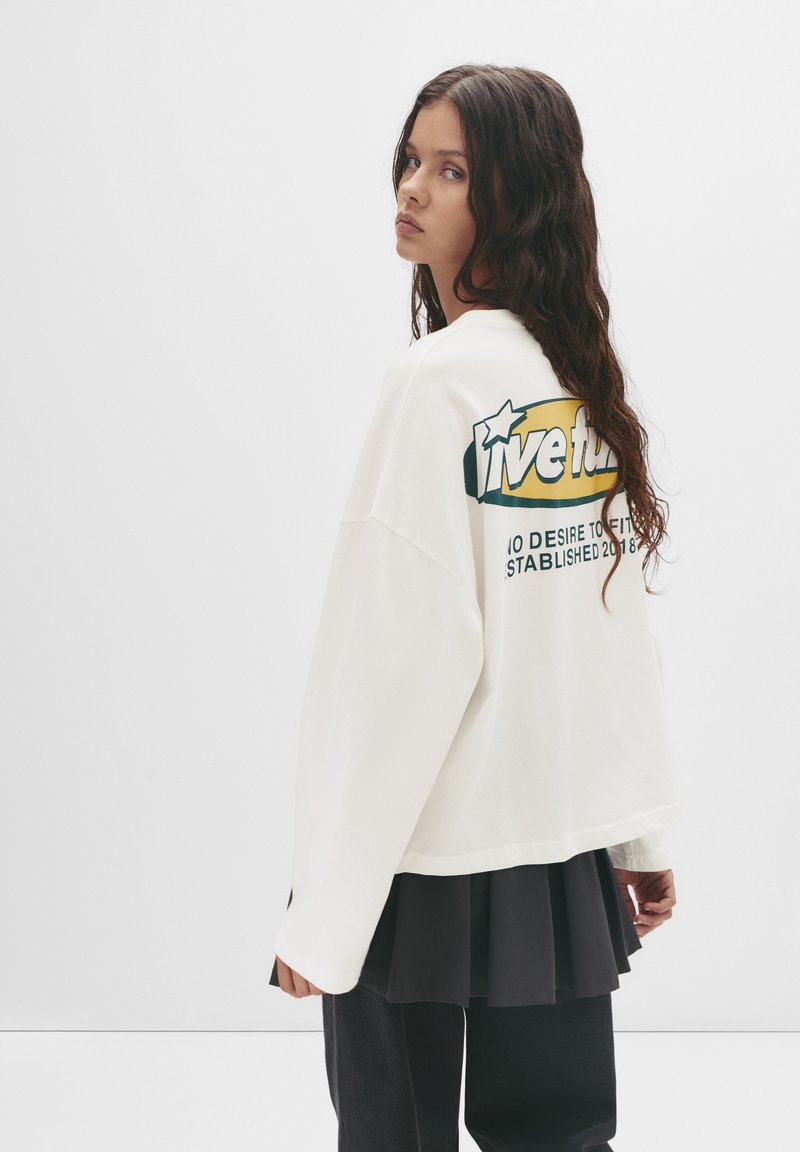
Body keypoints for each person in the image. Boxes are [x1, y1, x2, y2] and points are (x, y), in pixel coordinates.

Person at [269, 63, 679, 1151]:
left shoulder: (434, 382)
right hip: (552, 859)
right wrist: (634, 836)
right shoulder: (574, 372)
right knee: (558, 1135)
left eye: (451, 170)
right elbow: (613, 632)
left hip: (425, 862)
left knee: (394, 1134)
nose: (412, 188)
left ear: (516, 193)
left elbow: (394, 661)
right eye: (411, 161)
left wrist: (330, 908)